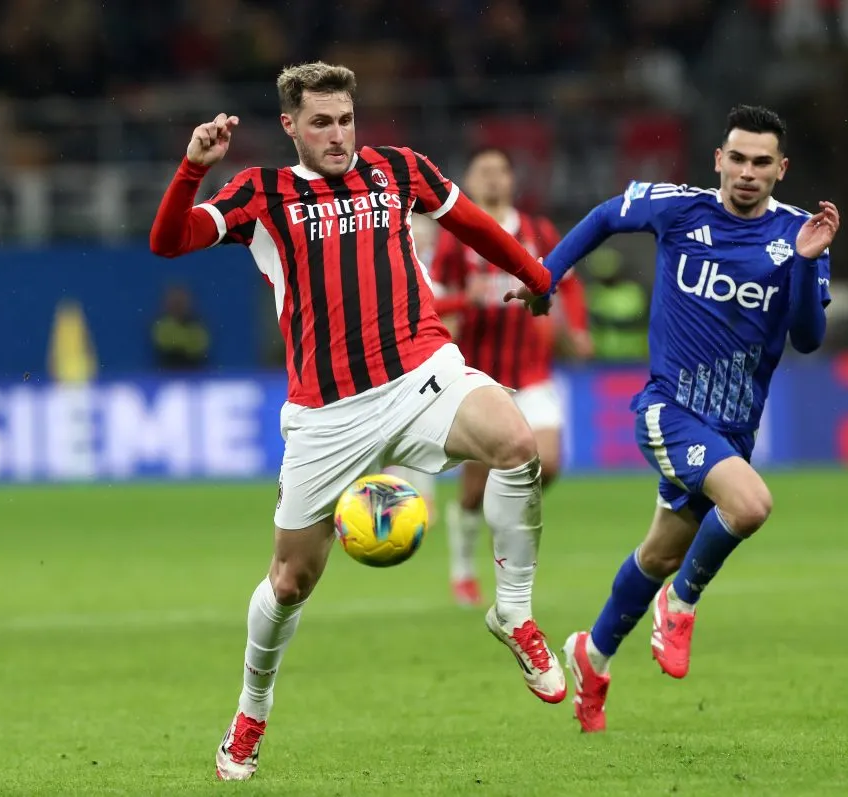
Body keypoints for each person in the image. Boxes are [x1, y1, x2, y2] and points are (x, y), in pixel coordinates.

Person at [149, 61, 566, 781]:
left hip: (419, 374)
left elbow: (470, 225)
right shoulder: (262, 193)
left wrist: (536, 276)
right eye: (321, 123)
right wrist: (192, 167)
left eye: (345, 119)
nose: (338, 135)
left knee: (516, 441)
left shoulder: (398, 171)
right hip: (327, 413)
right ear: (290, 126)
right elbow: (169, 241)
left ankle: (514, 613)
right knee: (289, 581)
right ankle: (251, 711)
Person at [507, 105, 840, 732]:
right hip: (670, 409)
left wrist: (802, 262)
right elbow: (607, 215)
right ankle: (679, 607)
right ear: (718, 158)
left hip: (733, 428)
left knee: (659, 554)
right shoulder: (680, 207)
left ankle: (593, 655)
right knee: (749, 506)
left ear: (781, 168)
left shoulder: (801, 233)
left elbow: (808, 337)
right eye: (737, 158)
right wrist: (545, 275)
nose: (747, 172)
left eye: (761, 162)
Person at [427, 146, 591, 607]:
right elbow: (432, 304)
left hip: (534, 371)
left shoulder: (538, 232)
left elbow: (569, 283)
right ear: (469, 182)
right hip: (479, 377)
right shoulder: (454, 240)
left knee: (550, 463)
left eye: (502, 170)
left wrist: (576, 328)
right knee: (474, 489)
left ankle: (505, 524)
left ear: (513, 180)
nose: (494, 179)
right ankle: (462, 570)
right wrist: (465, 301)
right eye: (484, 172)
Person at [150, 284, 210, 370]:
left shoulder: (198, 326)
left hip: (195, 374)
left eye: (181, 302)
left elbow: (199, 347)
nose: (178, 306)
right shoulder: (160, 325)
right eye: (174, 302)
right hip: (165, 374)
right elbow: (164, 345)